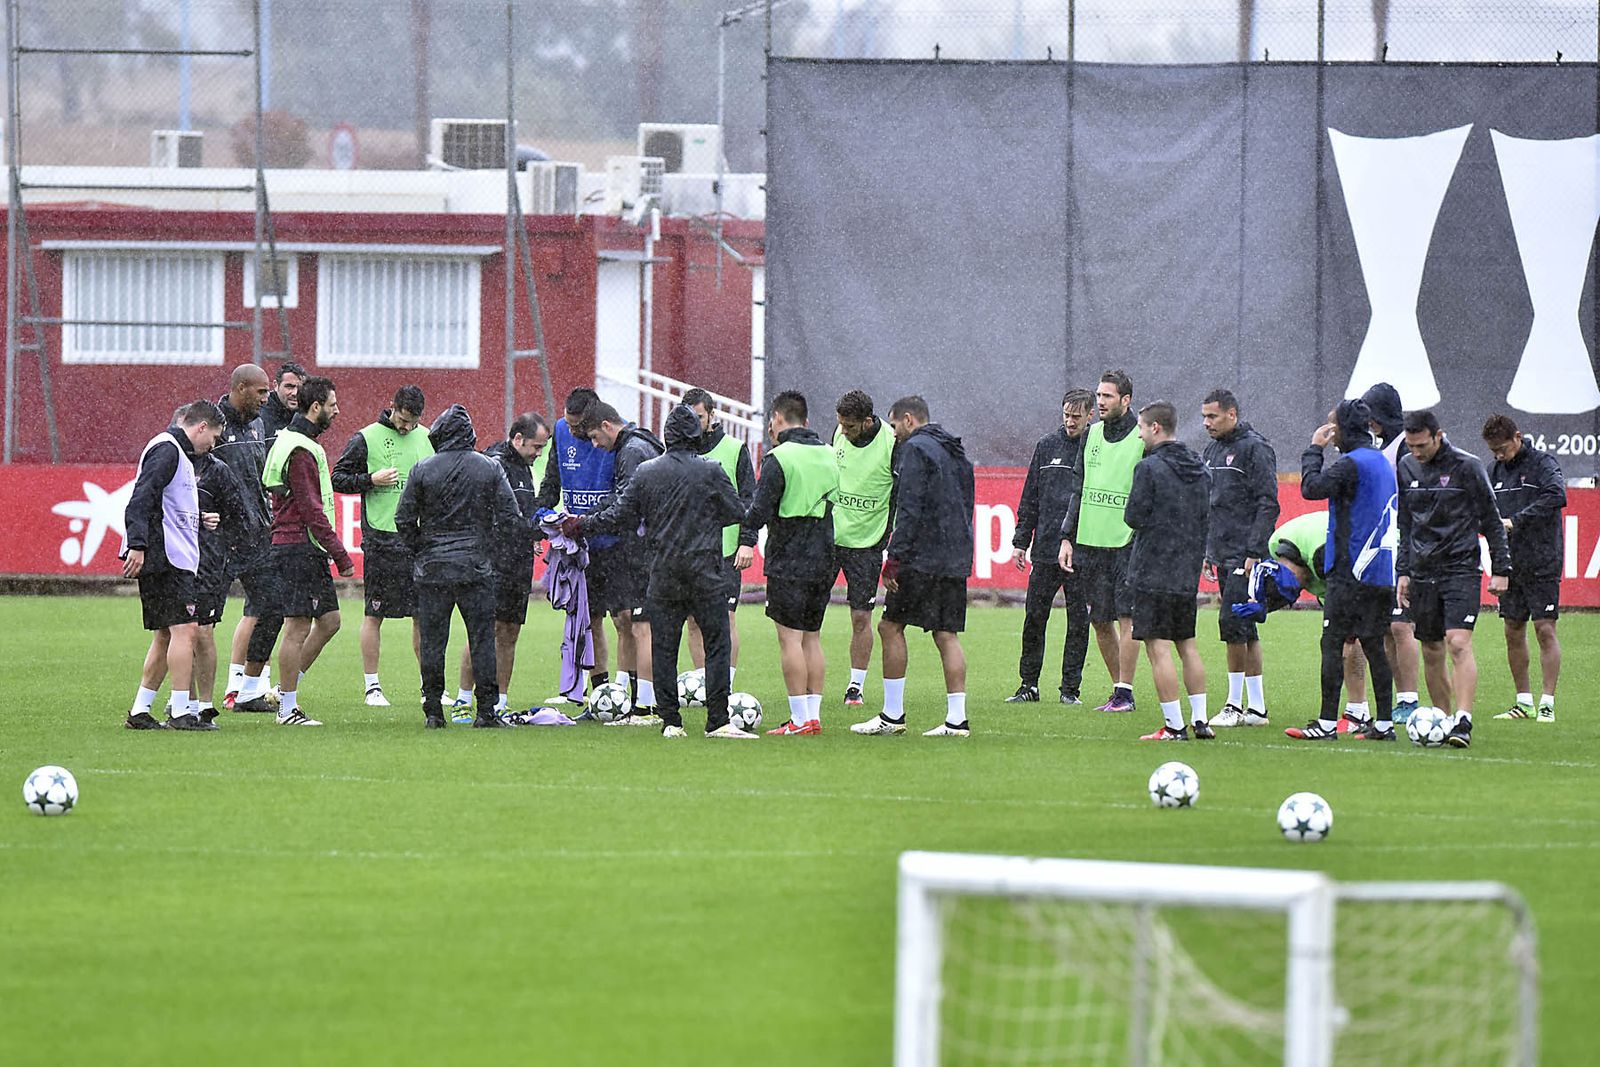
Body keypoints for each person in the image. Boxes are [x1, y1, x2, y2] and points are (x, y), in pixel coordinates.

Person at [571, 405, 750, 738]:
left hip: (664, 570)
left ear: (667, 436)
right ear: (695, 435)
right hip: (705, 569)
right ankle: (717, 720)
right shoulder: (711, 470)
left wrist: (583, 524)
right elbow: (736, 511)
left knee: (664, 646)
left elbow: (620, 515)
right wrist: (703, 520)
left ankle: (671, 721)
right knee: (716, 644)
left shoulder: (647, 472)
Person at [851, 396, 976, 737]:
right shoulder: (955, 450)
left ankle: (892, 715)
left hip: (923, 556)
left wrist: (894, 559)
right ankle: (957, 720)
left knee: (889, 627)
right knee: (946, 634)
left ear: (908, 419)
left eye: (894, 426)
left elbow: (909, 508)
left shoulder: (915, 450)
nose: (893, 434)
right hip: (954, 554)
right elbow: (966, 504)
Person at [394, 404, 522, 729]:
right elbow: (510, 517)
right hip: (475, 569)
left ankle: (433, 710)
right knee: (482, 639)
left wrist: (423, 549)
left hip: (433, 570)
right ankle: (486, 711)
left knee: (433, 642)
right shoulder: (489, 468)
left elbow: (403, 519)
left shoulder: (423, 469)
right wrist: (487, 548)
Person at [1396, 410, 1511, 749]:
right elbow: (1406, 523)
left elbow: (1492, 520)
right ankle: (1443, 721)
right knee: (1431, 648)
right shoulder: (1406, 466)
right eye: (1411, 446)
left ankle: (1463, 720)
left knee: (1457, 643)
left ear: (1438, 435)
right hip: (1422, 571)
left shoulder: (1467, 466)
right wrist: (1404, 571)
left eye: (1421, 445)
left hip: (1460, 568)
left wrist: (1501, 569)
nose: (1416, 452)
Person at [1290, 399, 1399, 742]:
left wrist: (1314, 449)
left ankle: (1325, 724)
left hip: (1351, 569)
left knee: (1333, 642)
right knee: (1374, 645)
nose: (1329, 429)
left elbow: (1311, 488)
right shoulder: (1380, 462)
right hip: (1380, 570)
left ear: (1344, 427)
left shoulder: (1352, 464)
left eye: (1332, 423)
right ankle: (1384, 724)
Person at [119, 400, 225, 730]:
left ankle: (140, 711)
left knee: (166, 634)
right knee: (186, 629)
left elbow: (167, 502)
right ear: (201, 427)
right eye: (214, 437)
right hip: (166, 555)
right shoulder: (168, 450)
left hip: (167, 552)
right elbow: (141, 497)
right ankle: (181, 712)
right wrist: (137, 544)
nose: (213, 445)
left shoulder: (176, 452)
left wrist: (198, 518)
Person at [739, 390, 839, 735]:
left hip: (790, 556)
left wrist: (740, 522)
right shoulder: (830, 454)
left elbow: (760, 509)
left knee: (790, 639)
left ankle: (798, 719)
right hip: (824, 554)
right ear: (806, 421)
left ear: (777, 419)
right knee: (812, 637)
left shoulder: (778, 457)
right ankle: (813, 716)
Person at [261, 375, 355, 727]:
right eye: (332, 405)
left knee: (329, 622)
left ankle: (283, 690)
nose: (337, 411)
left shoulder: (295, 440)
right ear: (316, 407)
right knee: (297, 627)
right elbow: (310, 508)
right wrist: (340, 553)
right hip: (298, 546)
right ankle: (287, 708)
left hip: (303, 545)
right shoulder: (301, 449)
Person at [332, 385, 433, 707]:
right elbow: (338, 478)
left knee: (424, 617)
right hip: (382, 540)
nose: (406, 428)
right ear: (392, 407)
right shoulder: (366, 438)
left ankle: (430, 687)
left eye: (412, 422)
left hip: (419, 542)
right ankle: (372, 687)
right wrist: (370, 480)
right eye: (402, 420)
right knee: (374, 614)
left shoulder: (428, 438)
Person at [1119, 402, 1212, 742]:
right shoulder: (1200, 467)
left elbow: (1133, 517)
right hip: (1186, 569)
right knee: (1187, 645)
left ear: (1155, 427)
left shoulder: (1149, 468)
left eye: (1141, 428)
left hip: (1153, 569)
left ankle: (1174, 726)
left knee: (1157, 647)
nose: (1139, 435)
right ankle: (1201, 720)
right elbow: (1205, 516)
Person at [456, 412, 550, 716]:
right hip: (492, 561)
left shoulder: (523, 468)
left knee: (510, 632)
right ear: (518, 439)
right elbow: (495, 517)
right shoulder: (492, 464)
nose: (538, 454)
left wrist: (533, 532)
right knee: (483, 631)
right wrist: (534, 529)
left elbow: (522, 513)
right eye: (536, 447)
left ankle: (501, 702)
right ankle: (463, 699)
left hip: (518, 563)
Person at [1058, 370, 1142, 713]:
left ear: (1126, 400)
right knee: (1099, 619)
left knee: (1127, 617)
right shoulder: (1090, 434)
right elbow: (1078, 488)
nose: (1101, 402)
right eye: (1099, 395)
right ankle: (1118, 692)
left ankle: (1125, 692)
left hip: (1126, 542)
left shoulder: (1141, 436)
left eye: (1108, 396)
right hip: (1091, 542)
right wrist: (1067, 536)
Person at [1199, 389, 1280, 727]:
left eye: (1212, 416)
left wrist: (1254, 551)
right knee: (1245, 628)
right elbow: (1211, 503)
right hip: (1221, 551)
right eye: (1204, 417)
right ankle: (1257, 709)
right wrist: (1208, 549)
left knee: (1233, 625)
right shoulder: (1211, 450)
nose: (1206, 423)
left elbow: (1268, 503)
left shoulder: (1255, 448)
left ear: (1231, 414)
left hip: (1243, 555)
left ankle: (1233, 705)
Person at [583, 401, 666, 725]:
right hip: (656, 547)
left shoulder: (631, 452)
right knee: (642, 626)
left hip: (643, 551)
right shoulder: (644, 442)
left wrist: (586, 521)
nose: (594, 445)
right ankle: (647, 699)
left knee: (642, 628)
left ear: (607, 425)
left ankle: (646, 707)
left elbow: (626, 506)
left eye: (594, 436)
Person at [1008, 389, 1093, 704]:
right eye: (1066, 415)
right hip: (1045, 548)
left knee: (1078, 622)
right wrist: (1021, 541)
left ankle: (1070, 690)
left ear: (1090, 416)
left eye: (1076, 416)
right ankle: (1028, 685)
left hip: (1081, 551)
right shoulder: (1046, 446)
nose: (1070, 422)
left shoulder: (1094, 449)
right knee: (1034, 618)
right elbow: (1030, 497)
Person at [1347, 381, 1423, 727]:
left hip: (1405, 546)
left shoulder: (1405, 448)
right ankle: (1399, 699)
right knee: (1387, 629)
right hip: (1384, 545)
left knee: (1401, 625)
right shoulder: (1384, 447)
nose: (1370, 423)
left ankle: (1409, 698)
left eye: (1372, 416)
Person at [535, 387, 617, 701]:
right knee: (586, 618)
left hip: (614, 542)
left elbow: (623, 492)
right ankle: (599, 693)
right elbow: (552, 479)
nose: (570, 431)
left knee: (625, 619)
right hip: (577, 544)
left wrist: (590, 519)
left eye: (577, 426)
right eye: (567, 424)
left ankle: (632, 691)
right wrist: (541, 514)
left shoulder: (618, 437)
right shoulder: (560, 431)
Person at [1483, 414, 1565, 723]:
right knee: (1512, 630)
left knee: (1544, 629)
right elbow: (1489, 515)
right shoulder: (1493, 471)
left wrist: (1516, 521)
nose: (1499, 456)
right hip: (1510, 563)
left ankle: (1547, 703)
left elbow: (1557, 495)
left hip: (1542, 559)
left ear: (1517, 437)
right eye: (1493, 451)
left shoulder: (1543, 463)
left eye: (1502, 449)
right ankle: (1523, 703)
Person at [209, 364, 279, 712]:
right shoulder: (212, 424)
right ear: (240, 388)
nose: (267, 399)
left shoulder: (258, 425)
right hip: (220, 539)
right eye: (261, 392)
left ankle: (249, 690)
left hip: (257, 535)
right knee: (202, 621)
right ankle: (188, 701)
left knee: (273, 607)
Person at [829, 389, 898, 708]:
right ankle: (805, 687)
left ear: (867, 422)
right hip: (830, 539)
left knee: (860, 617)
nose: (843, 431)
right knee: (808, 614)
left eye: (850, 426)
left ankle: (855, 686)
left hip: (867, 545)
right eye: (841, 424)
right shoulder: (838, 433)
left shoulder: (891, 443)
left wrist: (888, 540)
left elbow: (899, 495)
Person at [681, 388, 756, 684]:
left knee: (725, 618)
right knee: (693, 621)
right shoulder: (678, 450)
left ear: (712, 415)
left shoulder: (735, 449)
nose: (694, 423)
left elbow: (749, 500)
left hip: (725, 550)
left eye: (699, 417)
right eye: (689, 417)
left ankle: (727, 683)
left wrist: (747, 541)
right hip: (689, 551)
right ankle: (703, 684)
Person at [189, 436, 252, 724]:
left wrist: (220, 530)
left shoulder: (217, 470)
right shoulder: (170, 462)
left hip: (209, 564)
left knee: (203, 631)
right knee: (179, 632)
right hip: (176, 562)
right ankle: (183, 703)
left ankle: (204, 705)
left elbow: (238, 515)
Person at [260, 360, 305, 450]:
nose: (295, 393)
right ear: (276, 385)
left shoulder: (307, 414)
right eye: (289, 387)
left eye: (300, 388)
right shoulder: (261, 414)